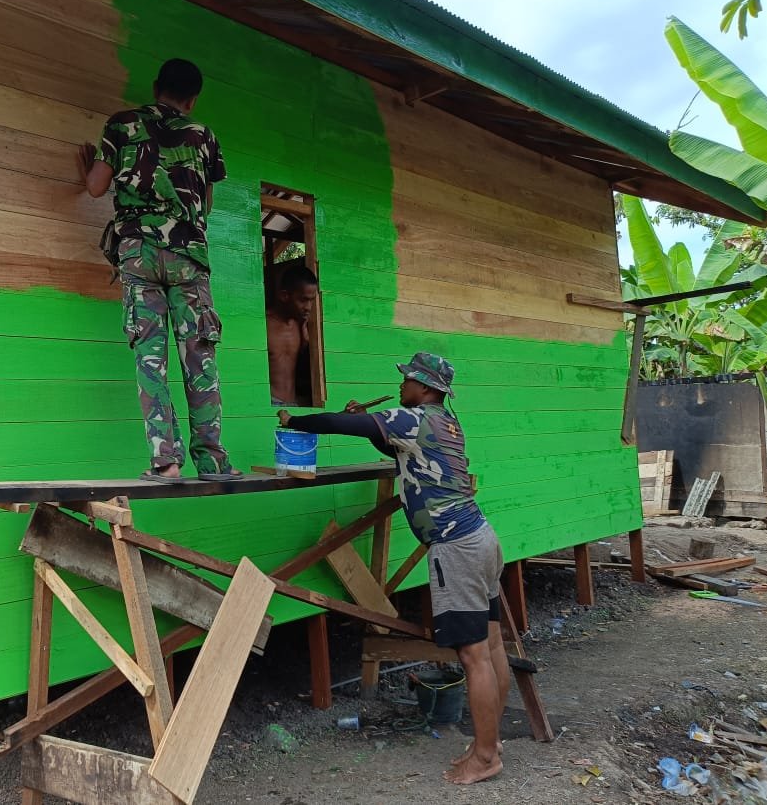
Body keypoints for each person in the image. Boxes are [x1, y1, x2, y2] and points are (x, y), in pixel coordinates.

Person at [277, 352, 508, 785]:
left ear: (424, 387)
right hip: (480, 538)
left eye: (407, 380)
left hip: (456, 547)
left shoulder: (413, 417)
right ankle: (490, 744)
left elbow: (344, 425)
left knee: (473, 655)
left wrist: (296, 421)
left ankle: (484, 758)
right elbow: (392, 445)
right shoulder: (444, 421)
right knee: (492, 647)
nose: (401, 385)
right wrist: (367, 425)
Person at [79, 58, 240, 483]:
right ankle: (213, 462)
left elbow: (95, 187)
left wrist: (93, 166)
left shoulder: (121, 124)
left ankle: (166, 462)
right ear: (193, 99)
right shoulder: (204, 135)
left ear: (156, 88)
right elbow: (205, 204)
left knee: (151, 360)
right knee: (200, 357)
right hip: (188, 257)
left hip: (140, 254)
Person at [266, 265, 319, 407]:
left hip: (294, 405)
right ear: (284, 295)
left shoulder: (304, 326)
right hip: (268, 404)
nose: (308, 307)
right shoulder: (264, 325)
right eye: (303, 300)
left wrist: (306, 344)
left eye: (311, 300)